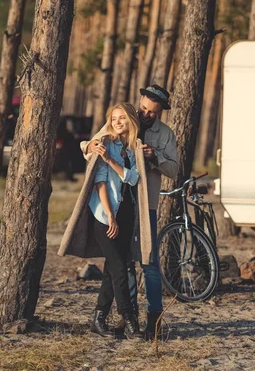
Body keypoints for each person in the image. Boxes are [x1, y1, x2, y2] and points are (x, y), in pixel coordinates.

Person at [82, 84, 178, 340]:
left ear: (160, 113)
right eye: (144, 108)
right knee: (121, 263)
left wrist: (154, 157)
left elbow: (173, 170)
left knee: (149, 263)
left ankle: (153, 321)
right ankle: (128, 318)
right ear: (140, 102)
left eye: (152, 112)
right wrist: (90, 147)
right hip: (116, 204)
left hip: (145, 205)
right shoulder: (123, 119)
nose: (146, 114)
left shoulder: (165, 134)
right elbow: (92, 142)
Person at [58, 102, 153, 340]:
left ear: (131, 120)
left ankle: (98, 318)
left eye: (122, 118)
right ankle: (130, 320)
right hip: (104, 214)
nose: (118, 122)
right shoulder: (105, 143)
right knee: (120, 268)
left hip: (127, 213)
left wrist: (113, 162)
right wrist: (109, 215)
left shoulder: (134, 147)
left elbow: (133, 179)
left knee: (112, 270)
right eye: (114, 118)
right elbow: (100, 181)